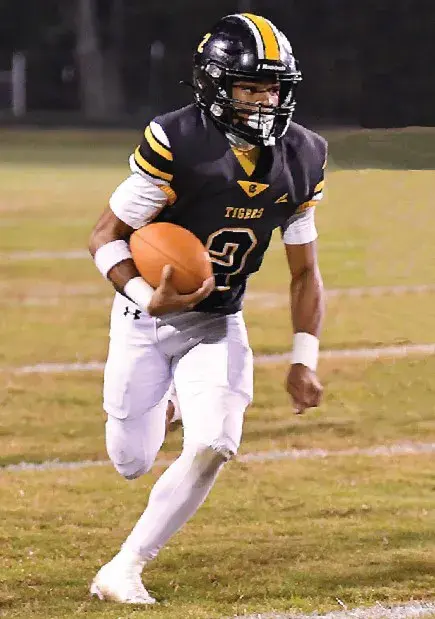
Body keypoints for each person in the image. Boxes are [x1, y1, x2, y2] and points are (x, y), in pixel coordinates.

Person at [88, 12, 326, 605]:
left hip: (218, 320)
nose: (265, 101)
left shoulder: (303, 156)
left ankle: (124, 567)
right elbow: (104, 237)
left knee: (216, 443)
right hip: (144, 319)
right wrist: (145, 295)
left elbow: (305, 271)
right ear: (216, 85)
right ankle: (167, 402)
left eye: (274, 88)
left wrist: (304, 359)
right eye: (250, 88)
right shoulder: (177, 141)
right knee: (131, 461)